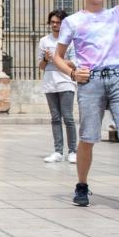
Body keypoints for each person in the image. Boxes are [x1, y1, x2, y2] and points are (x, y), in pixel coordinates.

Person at [53, 0, 119, 218]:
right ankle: (82, 185)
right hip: (91, 81)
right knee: (88, 136)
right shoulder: (72, 21)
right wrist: (73, 74)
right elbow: (57, 57)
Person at [38, 10, 77, 163]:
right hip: (50, 82)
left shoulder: (70, 41)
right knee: (55, 118)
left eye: (58, 22)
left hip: (66, 81)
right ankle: (58, 151)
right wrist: (47, 60)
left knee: (68, 117)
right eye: (53, 22)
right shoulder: (44, 41)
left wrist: (56, 58)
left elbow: (74, 62)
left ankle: (73, 150)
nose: (55, 25)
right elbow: (41, 65)